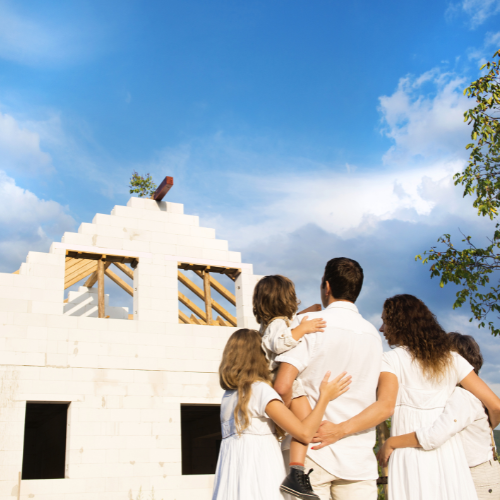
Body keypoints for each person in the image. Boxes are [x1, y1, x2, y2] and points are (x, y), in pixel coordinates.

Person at [274, 257, 384, 500]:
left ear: (327, 287)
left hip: (310, 455)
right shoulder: (373, 336)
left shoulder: (309, 325)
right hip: (358, 458)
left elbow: (283, 387)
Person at [373, 294, 500, 500]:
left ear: (400, 324)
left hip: (408, 453)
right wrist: (487, 429)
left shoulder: (390, 360)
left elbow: (383, 405)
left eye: (386, 322)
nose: (382, 329)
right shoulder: (453, 360)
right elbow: (495, 405)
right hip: (450, 456)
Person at [211, 328, 351, 500]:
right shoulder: (259, 390)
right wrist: (325, 397)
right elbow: (304, 434)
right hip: (260, 474)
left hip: (233, 479)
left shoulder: (228, 397)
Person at [253, 275, 327, 500]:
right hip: (289, 385)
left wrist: (304, 316)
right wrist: (303, 329)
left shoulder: (269, 324)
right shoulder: (277, 325)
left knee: (304, 427)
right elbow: (280, 341)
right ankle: (296, 474)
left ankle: (296, 472)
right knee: (306, 427)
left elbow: (279, 332)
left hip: (279, 382)